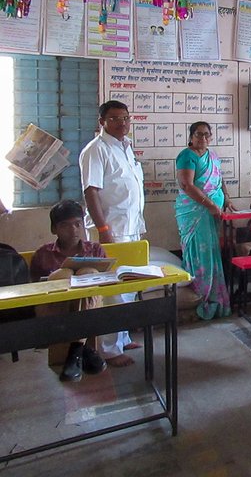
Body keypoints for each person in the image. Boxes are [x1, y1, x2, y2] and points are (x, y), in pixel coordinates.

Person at [80, 100, 145, 367]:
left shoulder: (126, 148)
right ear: (102, 122)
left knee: (128, 286)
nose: (122, 122)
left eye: (126, 118)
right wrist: (104, 229)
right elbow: (91, 191)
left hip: (130, 229)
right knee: (111, 290)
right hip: (111, 231)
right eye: (115, 118)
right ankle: (108, 349)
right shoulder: (96, 150)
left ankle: (122, 337)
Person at [29, 200, 107, 382]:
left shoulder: (95, 250)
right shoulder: (43, 254)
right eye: (65, 225)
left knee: (88, 273)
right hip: (53, 308)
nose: (73, 231)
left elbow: (103, 286)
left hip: (91, 306)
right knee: (64, 274)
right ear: (54, 229)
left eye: (77, 224)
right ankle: (83, 349)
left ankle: (75, 352)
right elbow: (35, 289)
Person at [175, 121, 235, 320]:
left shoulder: (213, 156)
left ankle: (216, 298)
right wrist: (210, 205)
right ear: (191, 137)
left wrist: (226, 198)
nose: (203, 138)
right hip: (194, 213)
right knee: (200, 253)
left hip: (213, 212)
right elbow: (187, 185)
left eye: (207, 135)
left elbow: (220, 179)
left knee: (212, 252)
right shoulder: (187, 156)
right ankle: (201, 295)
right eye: (199, 134)